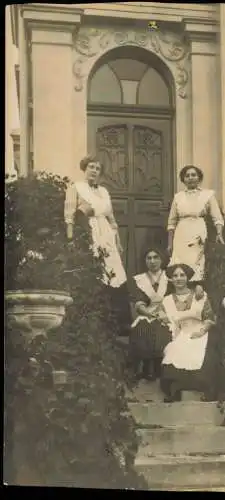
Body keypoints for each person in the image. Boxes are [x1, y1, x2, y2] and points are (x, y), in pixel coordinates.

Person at [64, 155, 130, 332]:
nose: (94, 171)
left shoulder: (104, 191)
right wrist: (71, 239)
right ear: (84, 169)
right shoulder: (76, 188)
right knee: (94, 270)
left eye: (97, 168)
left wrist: (118, 241)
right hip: (88, 232)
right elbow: (70, 217)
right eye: (91, 167)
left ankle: (114, 322)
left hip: (107, 234)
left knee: (113, 272)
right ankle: (93, 319)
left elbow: (112, 219)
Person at [159, 264, 218, 402]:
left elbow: (209, 318)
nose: (178, 278)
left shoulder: (200, 296)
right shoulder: (167, 300)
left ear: (188, 278)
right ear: (171, 279)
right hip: (179, 333)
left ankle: (202, 387)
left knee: (199, 352)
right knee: (174, 350)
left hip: (199, 330)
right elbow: (165, 320)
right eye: (175, 276)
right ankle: (176, 388)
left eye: (182, 275)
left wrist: (202, 331)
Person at [167, 165, 225, 285]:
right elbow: (171, 222)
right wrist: (170, 243)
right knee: (180, 262)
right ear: (183, 179)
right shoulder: (178, 197)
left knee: (196, 262)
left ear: (199, 178)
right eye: (187, 176)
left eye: (193, 175)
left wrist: (219, 233)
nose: (190, 178)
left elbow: (217, 217)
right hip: (181, 233)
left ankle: (195, 290)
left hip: (198, 231)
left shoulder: (208, 195)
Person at [128, 247, 173, 381]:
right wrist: (148, 313)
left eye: (156, 257)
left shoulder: (170, 277)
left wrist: (163, 314)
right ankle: (146, 366)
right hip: (146, 313)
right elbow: (138, 301)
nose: (152, 261)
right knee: (143, 326)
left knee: (163, 328)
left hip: (167, 313)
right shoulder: (138, 280)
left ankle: (160, 367)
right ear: (145, 261)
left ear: (162, 259)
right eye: (149, 258)